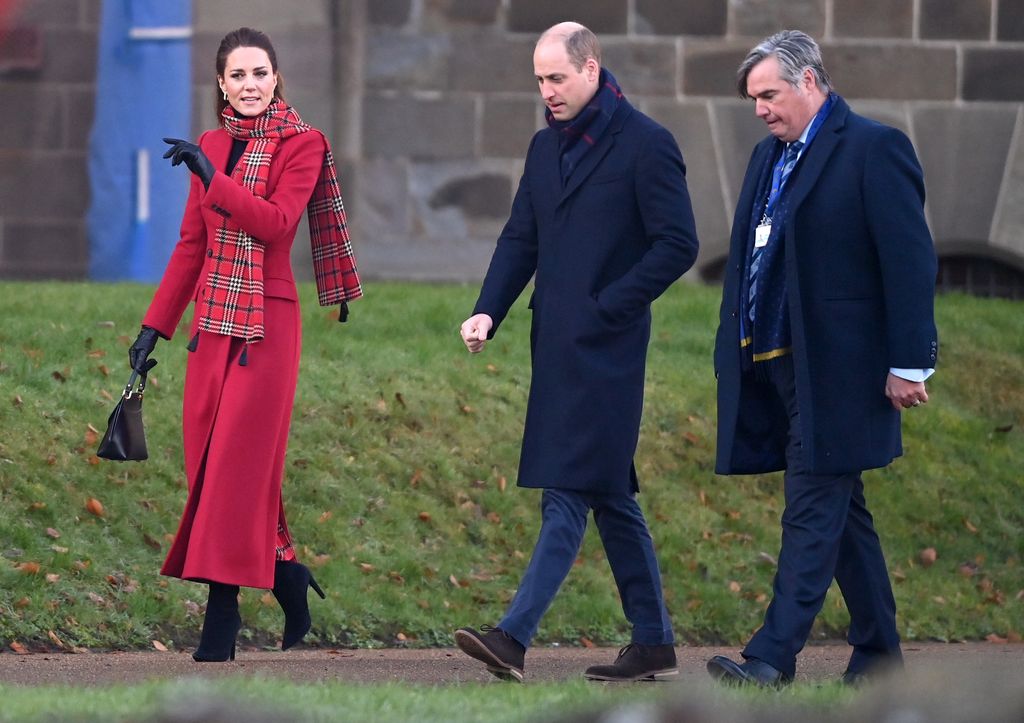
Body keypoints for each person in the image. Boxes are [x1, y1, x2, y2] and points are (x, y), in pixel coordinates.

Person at [454, 22, 699, 683]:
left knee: (566, 490)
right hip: (556, 346)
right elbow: (520, 238)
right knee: (609, 493)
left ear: (592, 69)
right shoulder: (543, 148)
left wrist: (609, 305)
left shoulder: (648, 145)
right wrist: (487, 309)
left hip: (610, 351)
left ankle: (512, 637)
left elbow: (678, 243)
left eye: (557, 77)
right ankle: (653, 642)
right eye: (539, 79)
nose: (547, 91)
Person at [707, 30, 937, 687]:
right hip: (779, 364)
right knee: (843, 511)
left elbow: (910, 262)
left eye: (769, 94)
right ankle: (880, 656)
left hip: (845, 372)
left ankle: (772, 656)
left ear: (810, 82)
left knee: (811, 503)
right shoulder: (765, 155)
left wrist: (910, 361)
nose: (759, 108)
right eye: (753, 97)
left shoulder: (874, 148)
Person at [127, 27, 362, 662]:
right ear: (222, 84)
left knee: (234, 469)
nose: (250, 85)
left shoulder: (303, 144)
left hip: (268, 326)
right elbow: (191, 245)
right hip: (212, 327)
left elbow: (276, 223)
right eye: (237, 76)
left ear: (277, 78)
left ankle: (220, 622)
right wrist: (154, 327)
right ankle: (286, 573)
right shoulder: (210, 143)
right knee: (213, 465)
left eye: (260, 73)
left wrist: (213, 177)